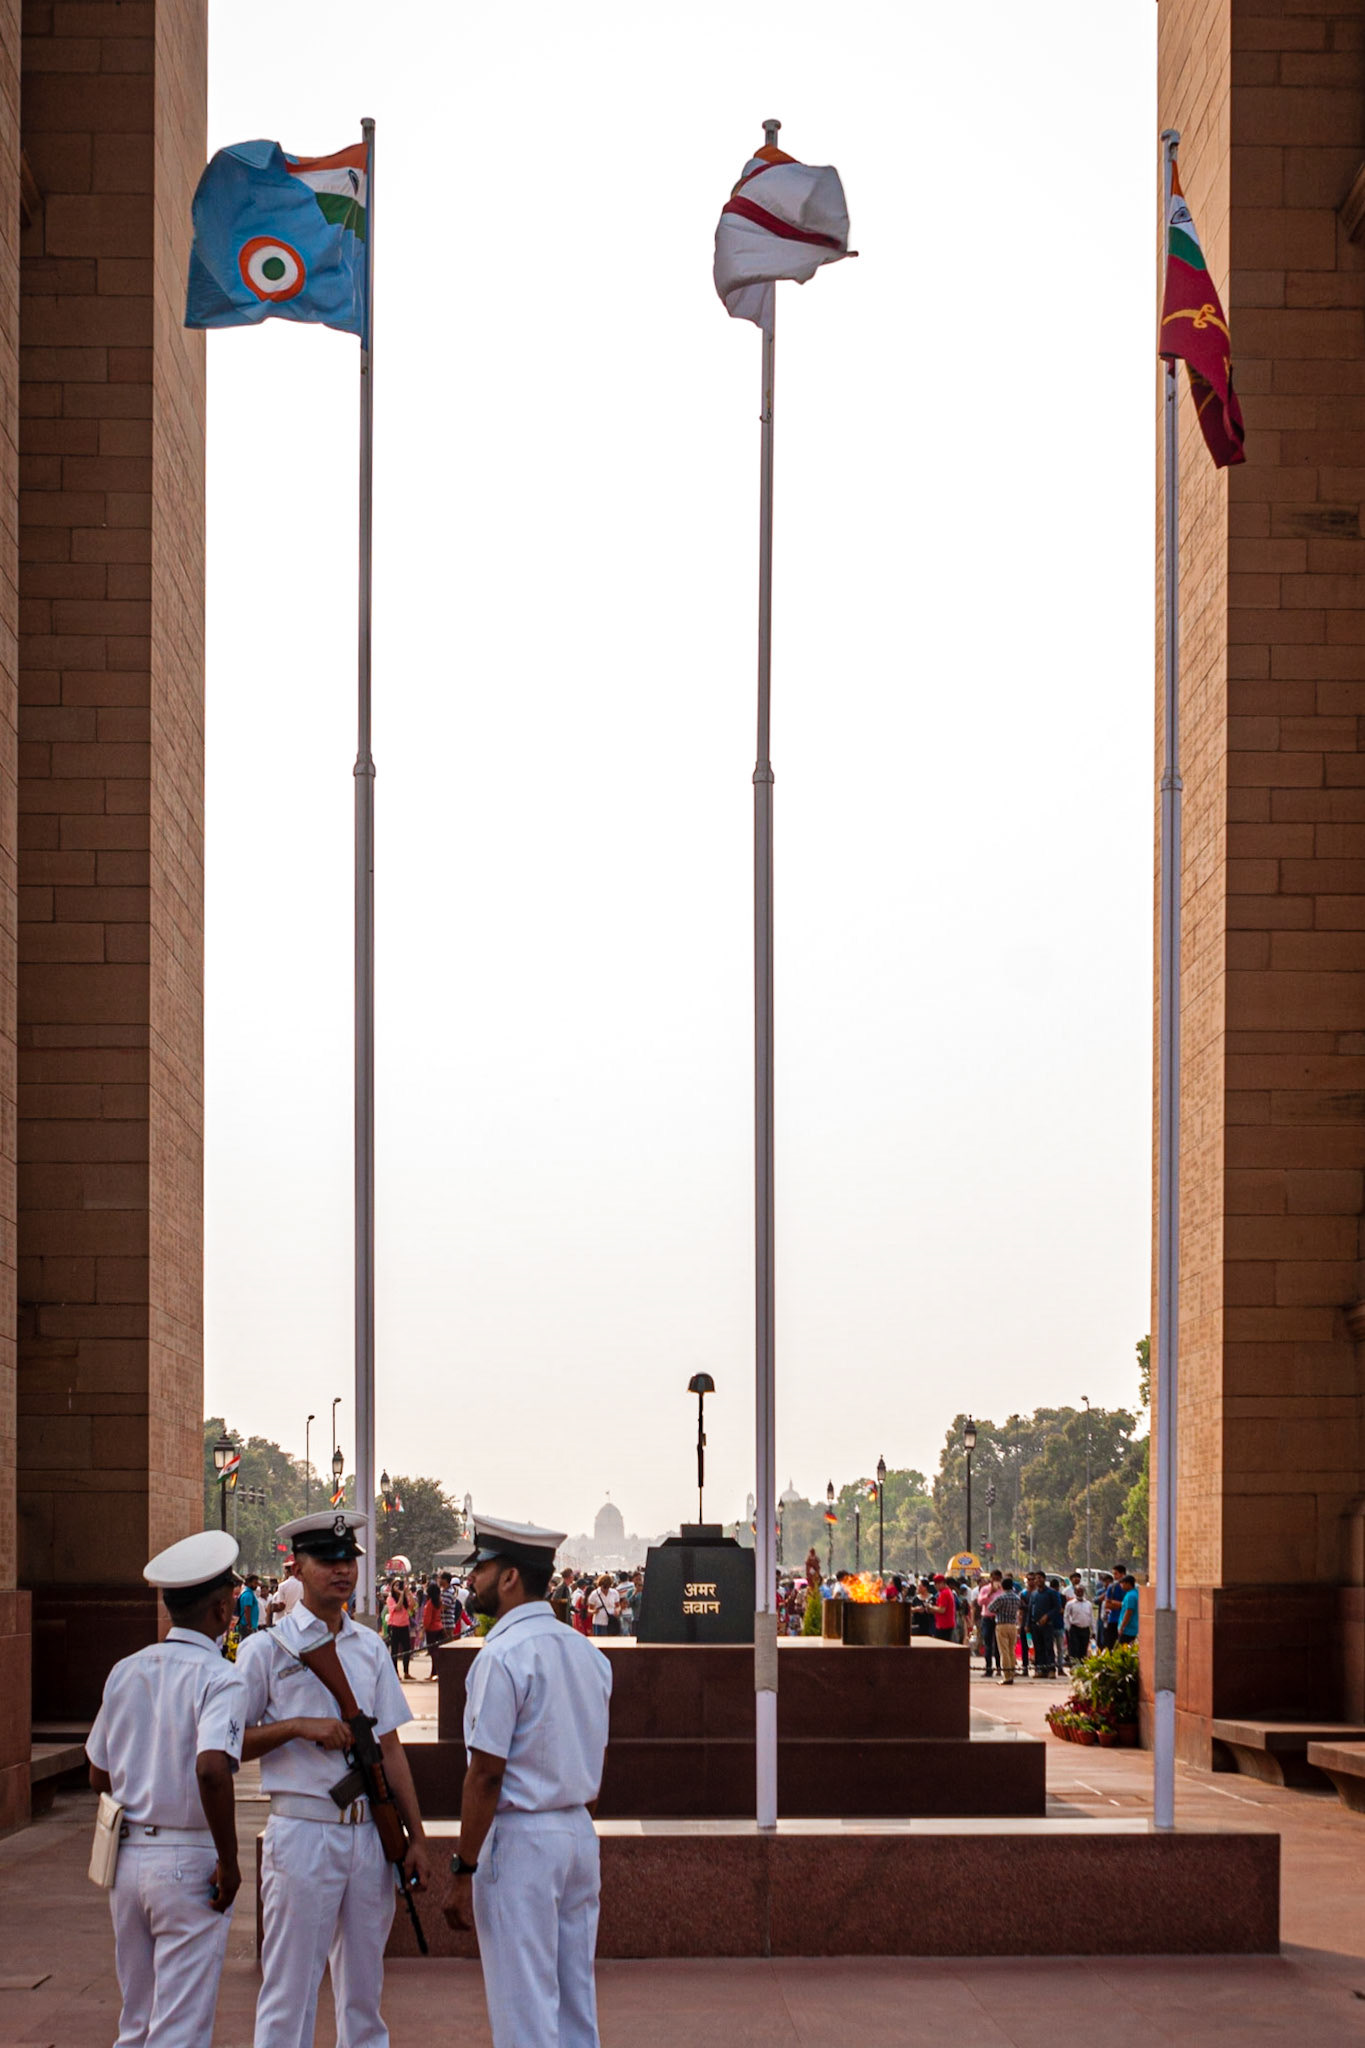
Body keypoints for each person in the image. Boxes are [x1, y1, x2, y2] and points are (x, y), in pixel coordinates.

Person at [236, 1510, 432, 2048]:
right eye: (328, 1559)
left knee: (364, 1996)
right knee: (289, 1995)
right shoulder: (265, 1650)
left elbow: (390, 1747)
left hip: (370, 1832)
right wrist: (296, 1728)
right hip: (303, 1832)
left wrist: (416, 1837)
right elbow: (226, 1745)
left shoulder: (369, 1648)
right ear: (297, 1565)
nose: (342, 1570)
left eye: (349, 1559)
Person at [446, 1515, 612, 2048]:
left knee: (524, 2011)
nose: (473, 1581)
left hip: (520, 1839)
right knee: (573, 2003)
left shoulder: (502, 1654)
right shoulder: (589, 1653)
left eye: (483, 1569)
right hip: (577, 1834)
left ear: (511, 1577)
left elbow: (486, 1772)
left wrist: (462, 1866)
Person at [86, 1529, 247, 2048]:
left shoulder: (125, 1670)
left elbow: (97, 1773)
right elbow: (211, 1769)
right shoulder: (220, 1678)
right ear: (222, 1611)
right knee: (180, 2025)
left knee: (136, 2021)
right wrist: (231, 1858)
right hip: (187, 1856)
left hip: (127, 1855)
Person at [985, 1576, 1021, 1682]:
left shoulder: (1001, 1597)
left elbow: (991, 1608)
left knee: (1004, 1651)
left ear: (1002, 1586)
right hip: (1013, 1625)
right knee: (1011, 1650)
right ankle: (1012, 1672)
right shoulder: (1017, 1598)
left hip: (1002, 1625)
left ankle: (1007, 1676)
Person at [386, 1575, 414, 1677]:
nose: (398, 1587)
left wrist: (408, 1593)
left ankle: (406, 1672)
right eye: (396, 1585)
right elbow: (397, 1608)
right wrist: (401, 1595)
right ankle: (395, 1673)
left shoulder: (405, 1597)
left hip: (404, 1625)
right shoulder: (390, 1599)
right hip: (394, 1625)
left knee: (407, 1648)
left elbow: (413, 1606)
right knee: (394, 1650)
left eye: (400, 1585)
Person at [1064, 1582, 1094, 1667]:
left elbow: (1091, 1617)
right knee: (1074, 1649)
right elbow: (1066, 1616)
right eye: (1078, 1591)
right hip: (1074, 1629)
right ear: (1075, 1592)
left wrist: (1093, 1630)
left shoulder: (1088, 1604)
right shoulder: (1070, 1604)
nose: (1080, 1593)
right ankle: (1074, 1667)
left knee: (1083, 1649)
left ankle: (1082, 1667)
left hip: (1085, 1629)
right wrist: (1068, 1628)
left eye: (1081, 1591)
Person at [1117, 1573, 1141, 1643]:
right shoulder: (1135, 1593)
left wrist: (1122, 1627)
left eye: (1122, 1584)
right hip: (1133, 1628)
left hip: (1128, 1630)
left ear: (1128, 1584)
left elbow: (1128, 1612)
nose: (1121, 1586)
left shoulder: (1131, 1596)